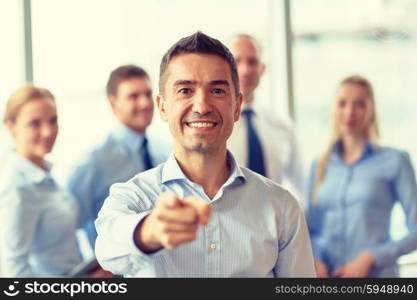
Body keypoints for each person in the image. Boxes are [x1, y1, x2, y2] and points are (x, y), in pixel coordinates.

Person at [95, 32, 315, 277]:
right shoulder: (132, 197)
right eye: (185, 90)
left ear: (237, 106)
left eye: (217, 91)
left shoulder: (282, 207)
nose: (201, 106)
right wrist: (149, 231)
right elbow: (107, 248)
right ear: (162, 107)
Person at [305, 75, 417, 277]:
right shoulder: (319, 164)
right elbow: (309, 228)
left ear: (372, 110)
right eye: (343, 103)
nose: (350, 112)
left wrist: (371, 257)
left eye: (359, 104)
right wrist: (316, 258)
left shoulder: (395, 161)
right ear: (334, 109)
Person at [66, 65, 170, 247]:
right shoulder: (92, 161)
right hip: (116, 267)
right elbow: (70, 225)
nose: (145, 103)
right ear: (114, 103)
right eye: (133, 96)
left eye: (147, 94)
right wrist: (90, 268)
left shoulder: (164, 149)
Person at [0, 85, 86, 276]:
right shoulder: (17, 188)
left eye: (53, 121)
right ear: (10, 126)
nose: (48, 132)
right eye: (35, 124)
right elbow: (16, 273)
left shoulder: (43, 174)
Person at [227, 34, 304, 199]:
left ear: (262, 69)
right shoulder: (212, 127)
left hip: (276, 221)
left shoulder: (283, 127)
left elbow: (300, 187)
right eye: (237, 61)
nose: (245, 70)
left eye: (252, 62)